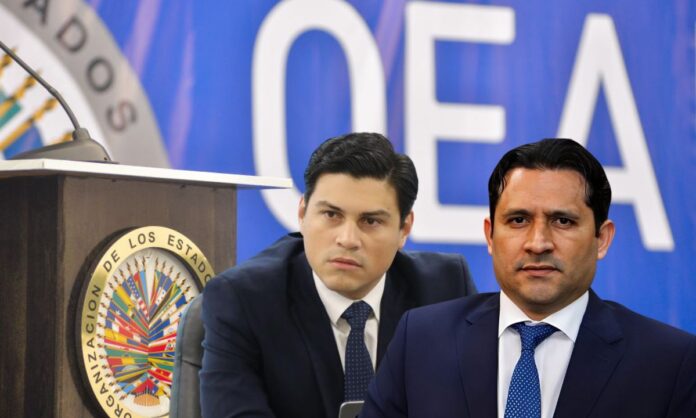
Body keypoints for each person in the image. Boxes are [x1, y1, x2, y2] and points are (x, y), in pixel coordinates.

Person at [361, 138, 696, 418]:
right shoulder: (421, 340)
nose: (538, 243)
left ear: (602, 239)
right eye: (518, 220)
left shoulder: (669, 363)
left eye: (563, 221)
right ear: (490, 236)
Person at [200, 132, 477, 418]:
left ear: (404, 229)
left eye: (370, 221)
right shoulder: (244, 301)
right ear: (302, 213)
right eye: (332, 215)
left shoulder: (445, 292)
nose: (347, 239)